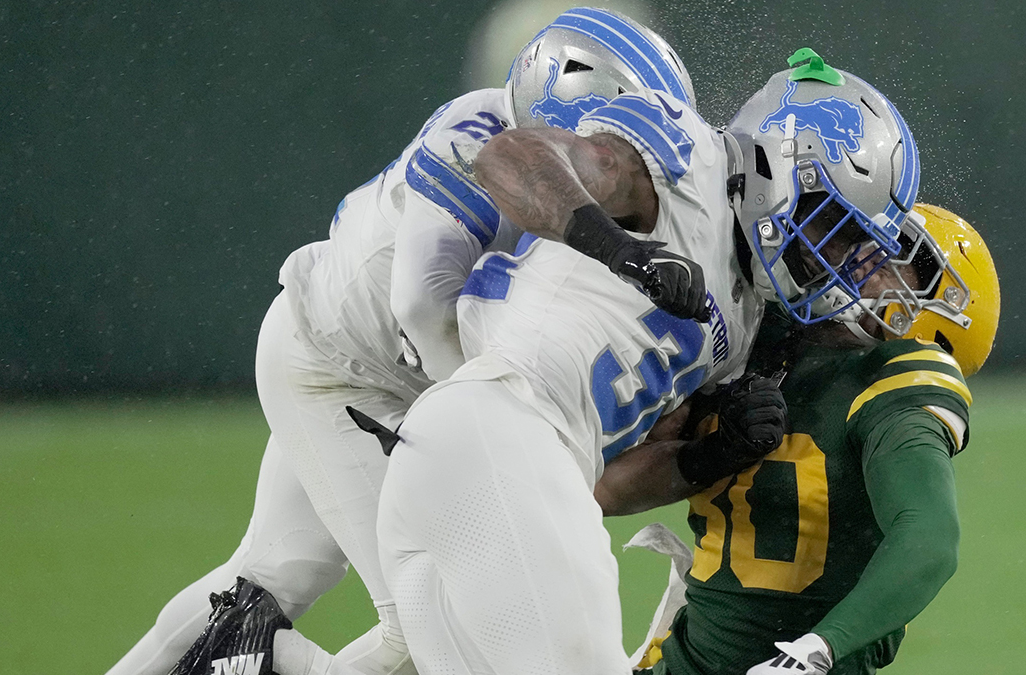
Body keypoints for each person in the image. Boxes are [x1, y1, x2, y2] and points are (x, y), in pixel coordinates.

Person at [191, 49, 922, 675]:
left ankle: (250, 654)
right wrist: (615, 244)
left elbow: (601, 490)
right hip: (499, 423)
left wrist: (707, 457)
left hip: (478, 467)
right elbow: (511, 155)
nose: (838, 261)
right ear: (778, 169)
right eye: (834, 224)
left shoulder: (747, 311)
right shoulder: (684, 162)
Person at [106, 9, 700, 675]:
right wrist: (494, 431)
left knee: (266, 576)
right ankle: (242, 665)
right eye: (626, 145)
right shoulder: (477, 142)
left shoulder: (563, 164)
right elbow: (421, 303)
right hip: (344, 370)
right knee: (427, 623)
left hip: (363, 361)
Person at [596, 203, 999, 675]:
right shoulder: (753, 334)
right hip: (683, 660)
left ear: (933, 322)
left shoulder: (897, 382)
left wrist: (818, 651)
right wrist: (713, 453)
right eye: (864, 242)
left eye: (891, 259)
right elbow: (604, 492)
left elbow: (930, 537)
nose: (860, 259)